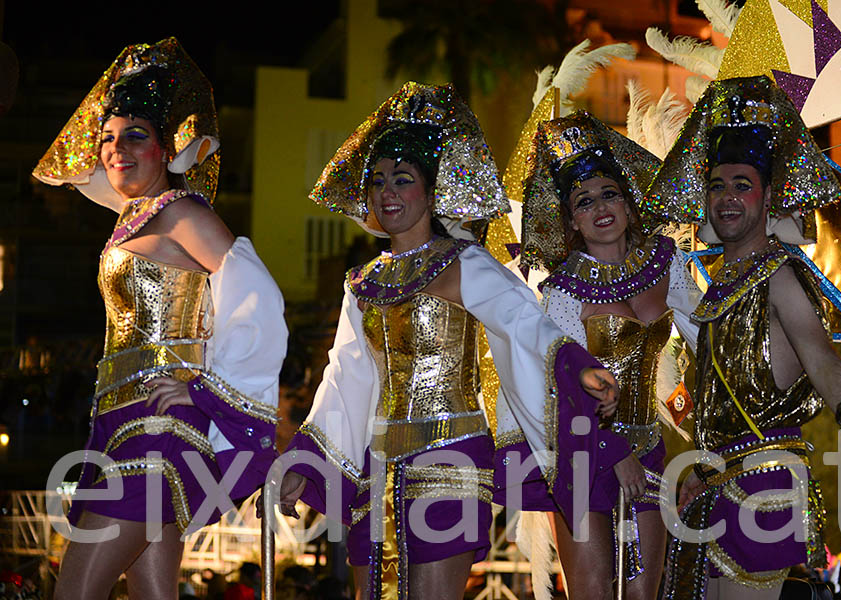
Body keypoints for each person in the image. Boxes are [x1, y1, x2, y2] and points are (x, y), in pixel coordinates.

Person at [271, 82, 625, 600]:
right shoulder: (361, 283)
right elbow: (345, 375)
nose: (388, 191)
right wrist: (304, 460)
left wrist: (577, 365)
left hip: (451, 459)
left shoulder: (462, 262)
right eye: (378, 180)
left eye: (403, 179)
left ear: (431, 193)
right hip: (380, 468)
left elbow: (522, 320)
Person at [32, 38, 287, 599]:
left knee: (74, 591)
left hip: (157, 432)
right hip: (119, 425)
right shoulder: (133, 221)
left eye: (136, 137)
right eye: (108, 139)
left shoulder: (181, 214)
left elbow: (257, 293)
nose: (116, 150)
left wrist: (206, 385)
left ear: (168, 147)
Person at [644, 76, 841, 600]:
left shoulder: (778, 275)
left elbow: (825, 364)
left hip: (765, 482)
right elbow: (717, 401)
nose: (728, 198)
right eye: (717, 185)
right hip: (717, 484)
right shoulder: (717, 289)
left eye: (742, 185)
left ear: (767, 196)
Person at [513, 110, 701, 600]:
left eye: (608, 193)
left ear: (629, 202)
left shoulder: (668, 261)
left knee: (643, 594)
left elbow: (708, 342)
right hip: (580, 453)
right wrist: (610, 450)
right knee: (594, 591)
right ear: (571, 219)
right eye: (583, 200)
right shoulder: (561, 293)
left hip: (651, 450)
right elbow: (558, 389)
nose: (599, 206)